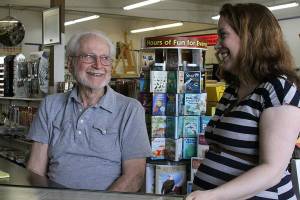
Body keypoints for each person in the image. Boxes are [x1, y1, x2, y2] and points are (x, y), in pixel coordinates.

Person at [186, 3, 300, 200]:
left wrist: (214, 196)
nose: (217, 45)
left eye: (223, 35)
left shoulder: (278, 91)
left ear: (250, 38)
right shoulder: (234, 89)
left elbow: (272, 170)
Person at [26, 31, 152, 192]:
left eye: (105, 58)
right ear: (70, 64)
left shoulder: (130, 110)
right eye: (88, 57)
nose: (98, 65)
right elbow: (35, 169)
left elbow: (134, 176)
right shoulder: (50, 105)